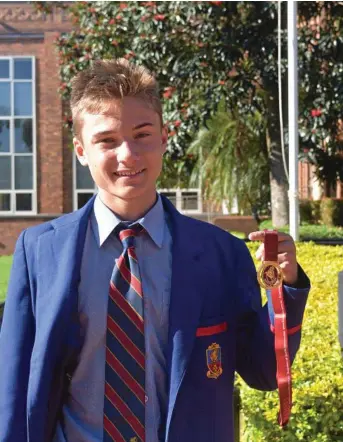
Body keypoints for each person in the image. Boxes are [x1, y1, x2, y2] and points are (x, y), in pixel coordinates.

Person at [0, 58, 310, 442]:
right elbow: (14, 386)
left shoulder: (220, 255)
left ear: (164, 138)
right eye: (107, 140)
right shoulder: (40, 251)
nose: (127, 154)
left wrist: (286, 287)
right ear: (81, 150)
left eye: (142, 134)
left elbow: (263, 371)